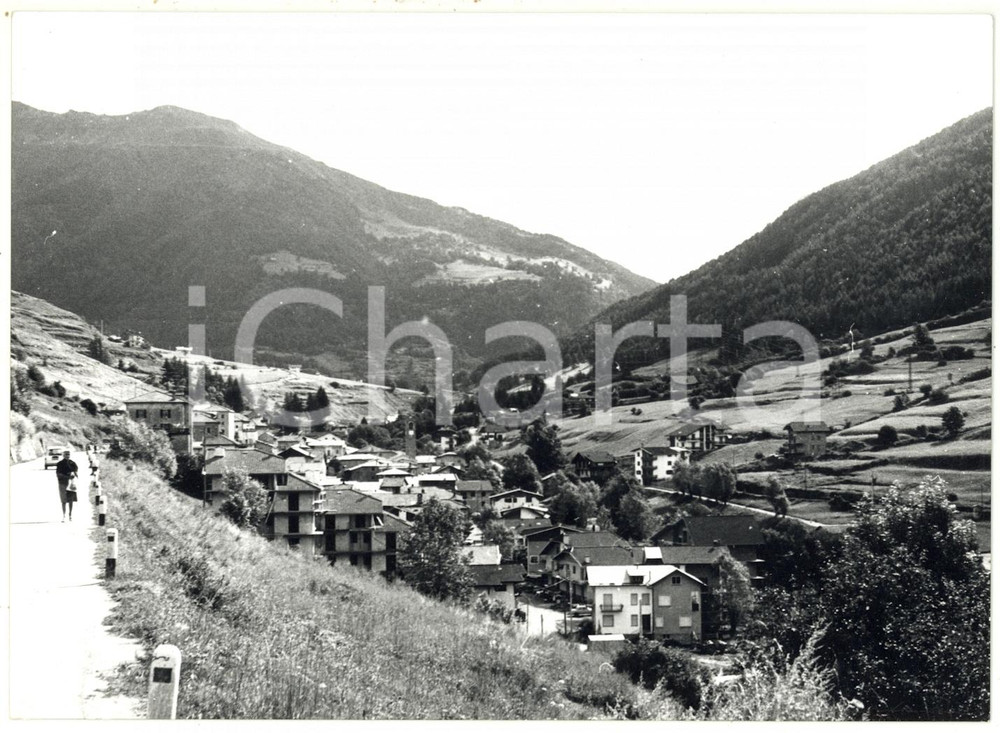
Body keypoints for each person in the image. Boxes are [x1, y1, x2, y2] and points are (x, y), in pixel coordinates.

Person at [55, 450, 79, 522]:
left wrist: (74, 474)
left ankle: (70, 515)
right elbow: (58, 474)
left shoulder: (72, 463)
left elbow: (76, 471)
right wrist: (67, 477)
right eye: (66, 454)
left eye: (68, 454)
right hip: (62, 483)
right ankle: (64, 515)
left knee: (71, 500)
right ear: (63, 455)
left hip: (71, 483)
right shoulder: (60, 463)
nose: (67, 455)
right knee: (63, 500)